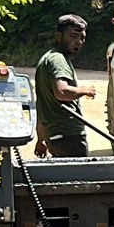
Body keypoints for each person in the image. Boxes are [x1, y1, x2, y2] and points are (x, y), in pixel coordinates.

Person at [35, 13, 97, 158]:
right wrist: (84, 90)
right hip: (69, 136)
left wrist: (40, 140)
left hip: (55, 138)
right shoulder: (58, 59)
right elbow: (61, 92)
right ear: (58, 36)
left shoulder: (47, 59)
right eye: (73, 36)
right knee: (82, 173)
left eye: (82, 38)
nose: (79, 42)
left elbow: (42, 106)